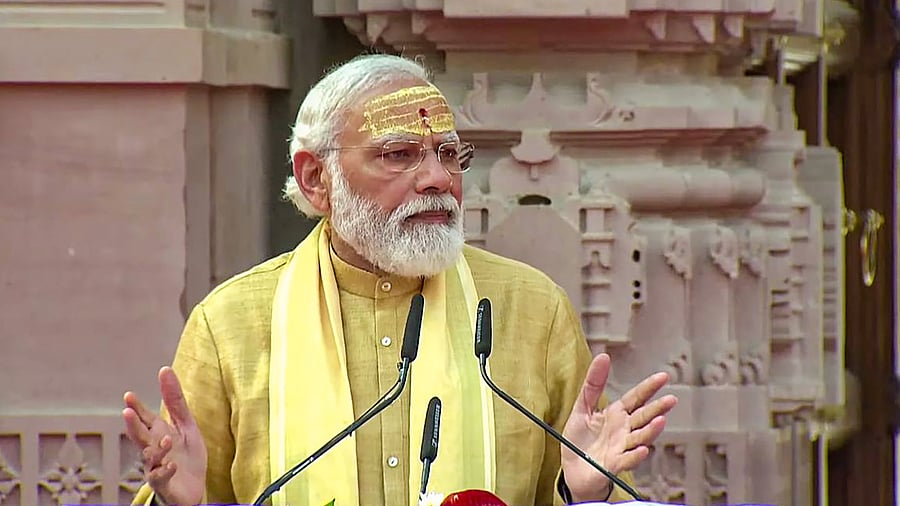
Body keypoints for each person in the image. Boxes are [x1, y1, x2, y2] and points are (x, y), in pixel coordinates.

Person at [122, 53, 677, 506]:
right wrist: (180, 504)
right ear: (316, 179)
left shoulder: (532, 309)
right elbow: (189, 486)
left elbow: (567, 492)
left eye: (448, 154)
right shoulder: (232, 325)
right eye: (399, 155)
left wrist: (583, 492)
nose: (438, 178)